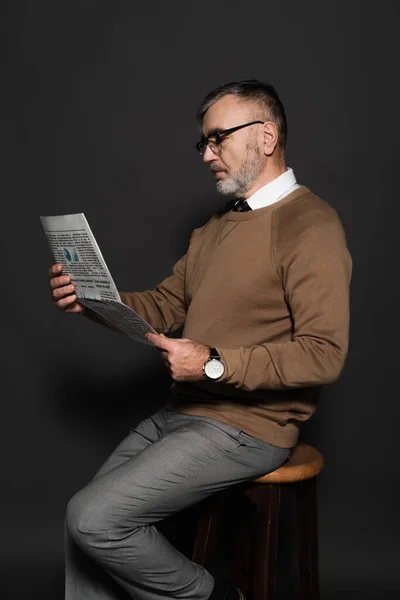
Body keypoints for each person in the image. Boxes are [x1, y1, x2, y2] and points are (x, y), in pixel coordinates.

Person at [49, 79, 352, 600]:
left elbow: (324, 354)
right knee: (82, 528)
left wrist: (213, 364)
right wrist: (94, 301)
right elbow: (166, 307)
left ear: (266, 135)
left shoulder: (311, 225)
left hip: (248, 426)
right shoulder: (214, 228)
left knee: (93, 519)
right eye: (204, 143)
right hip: (183, 412)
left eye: (218, 138)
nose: (208, 154)